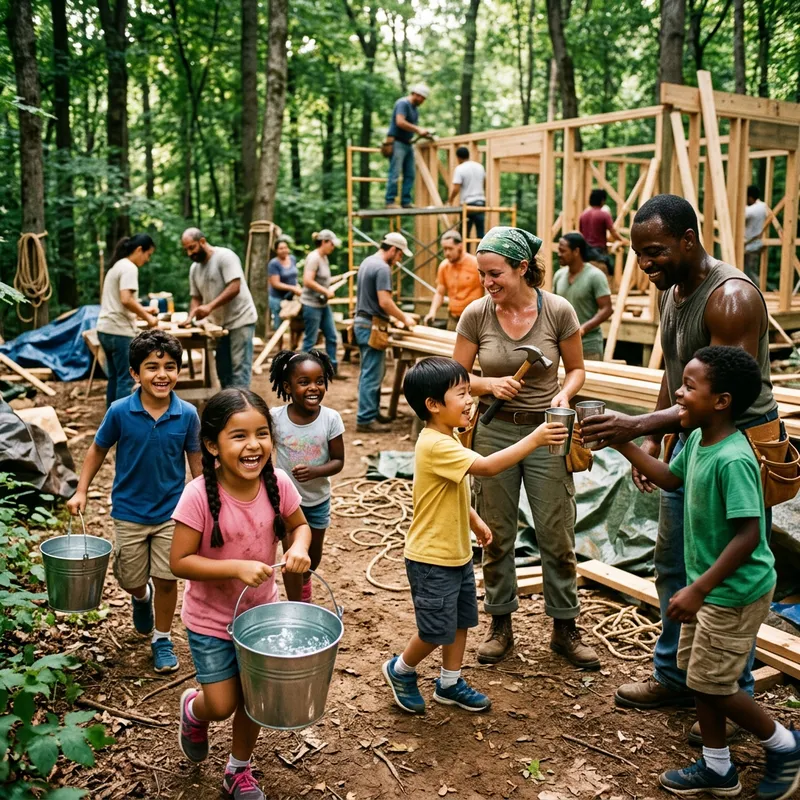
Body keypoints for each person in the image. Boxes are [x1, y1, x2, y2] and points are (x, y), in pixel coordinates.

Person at [581, 194, 779, 744]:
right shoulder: (674, 288)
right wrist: (664, 441)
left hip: (734, 450)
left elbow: (719, 396)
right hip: (694, 443)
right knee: (675, 566)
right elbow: (679, 377)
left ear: (689, 240)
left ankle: (730, 697)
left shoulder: (731, 298)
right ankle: (675, 678)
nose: (646, 265)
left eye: (655, 252)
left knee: (724, 576)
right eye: (640, 254)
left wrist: (637, 427)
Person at [613, 346, 800, 800]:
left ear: (722, 401)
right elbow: (673, 480)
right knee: (700, 678)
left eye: (689, 386)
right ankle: (718, 768)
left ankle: (785, 744)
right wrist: (623, 443)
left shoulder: (735, 459)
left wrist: (697, 588)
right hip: (712, 587)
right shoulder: (698, 439)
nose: (678, 390)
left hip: (734, 591)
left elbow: (748, 537)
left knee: (713, 682)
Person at [383, 357, 569, 715]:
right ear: (434, 406)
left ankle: (449, 682)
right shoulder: (436, 445)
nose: (470, 400)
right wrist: (535, 438)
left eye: (469, 392)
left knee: (460, 620)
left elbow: (451, 490)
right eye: (462, 394)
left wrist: (474, 522)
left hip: (456, 553)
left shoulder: (448, 435)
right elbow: (486, 466)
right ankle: (400, 669)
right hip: (431, 557)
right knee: (435, 629)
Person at [453, 226, 600, 668]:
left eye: (496, 273)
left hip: (548, 432)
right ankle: (500, 624)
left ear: (522, 267)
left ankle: (564, 627)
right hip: (495, 432)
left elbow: (576, 369)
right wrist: (488, 383)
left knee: (556, 531)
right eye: (482, 274)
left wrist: (563, 394)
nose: (488, 282)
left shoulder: (557, 311)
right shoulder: (476, 315)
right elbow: (454, 378)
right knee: (495, 532)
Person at [170, 388, 312, 800]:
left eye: (262, 433)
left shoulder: (278, 483)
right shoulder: (198, 495)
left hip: (260, 616)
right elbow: (179, 561)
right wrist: (234, 567)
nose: (254, 445)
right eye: (239, 436)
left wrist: (299, 547)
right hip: (211, 622)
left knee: (255, 700)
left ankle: (238, 769)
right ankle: (194, 710)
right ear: (213, 445)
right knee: (221, 704)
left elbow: (300, 526)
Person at [67, 330, 202, 673]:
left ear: (178, 372)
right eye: (152, 367)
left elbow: (196, 462)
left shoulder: (187, 414)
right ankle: (141, 597)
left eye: (170, 367)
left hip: (173, 512)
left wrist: (208, 503)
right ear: (134, 374)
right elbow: (98, 449)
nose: (162, 374)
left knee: (169, 578)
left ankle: (162, 637)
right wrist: (81, 489)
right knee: (130, 577)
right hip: (129, 512)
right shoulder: (120, 411)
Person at [268, 349, 345, 603]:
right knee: (292, 557)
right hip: (288, 504)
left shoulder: (330, 419)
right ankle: (297, 605)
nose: (314, 388)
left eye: (319, 381)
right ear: (288, 387)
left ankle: (304, 583)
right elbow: (264, 452)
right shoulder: (276, 418)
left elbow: (338, 461)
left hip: (318, 500)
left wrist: (315, 471)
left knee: (313, 557)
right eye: (304, 382)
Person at [353, 232, 417, 433]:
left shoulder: (367, 262)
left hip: (365, 322)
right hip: (371, 325)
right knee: (372, 373)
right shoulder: (382, 268)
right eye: (399, 255)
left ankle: (371, 412)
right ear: (393, 249)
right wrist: (404, 318)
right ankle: (365, 419)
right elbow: (385, 302)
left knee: (373, 371)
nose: (399, 260)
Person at [181, 228, 258, 390]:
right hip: (219, 325)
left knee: (239, 369)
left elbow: (235, 286)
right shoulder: (194, 269)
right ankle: (229, 408)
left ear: (202, 241)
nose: (189, 253)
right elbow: (196, 297)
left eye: (192, 247)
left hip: (240, 319)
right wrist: (191, 317)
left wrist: (209, 306)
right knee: (223, 370)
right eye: (186, 249)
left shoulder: (225, 257)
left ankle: (242, 411)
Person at [96, 234, 159, 407]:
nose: (147, 259)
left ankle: (112, 419)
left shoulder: (117, 266)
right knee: (126, 379)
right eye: (148, 254)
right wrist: (149, 319)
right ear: (139, 250)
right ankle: (122, 423)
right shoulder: (130, 267)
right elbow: (126, 299)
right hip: (119, 331)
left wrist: (144, 309)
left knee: (115, 377)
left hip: (105, 329)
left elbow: (119, 302)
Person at [553, 233, 613, 361]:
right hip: (563, 345)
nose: (559, 254)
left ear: (576, 251)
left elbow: (607, 309)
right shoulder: (559, 275)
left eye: (563, 251)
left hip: (588, 346)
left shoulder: (595, 276)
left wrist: (583, 329)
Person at [301, 230, 342, 376]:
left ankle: (331, 369)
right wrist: (325, 292)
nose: (333, 247)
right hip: (311, 305)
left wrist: (340, 278)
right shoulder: (314, 258)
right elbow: (307, 281)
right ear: (324, 242)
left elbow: (323, 280)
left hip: (323, 305)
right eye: (331, 244)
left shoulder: (324, 258)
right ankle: (302, 370)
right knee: (310, 340)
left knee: (332, 336)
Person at [423, 231, 483, 330]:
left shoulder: (476, 264)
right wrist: (432, 312)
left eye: (450, 249)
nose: (447, 253)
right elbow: (439, 293)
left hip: (474, 319)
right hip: (453, 318)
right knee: (451, 344)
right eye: (444, 249)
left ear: (460, 246)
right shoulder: (444, 266)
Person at [385, 84, 431, 209]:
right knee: (395, 172)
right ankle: (390, 201)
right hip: (397, 142)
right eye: (422, 98)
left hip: (407, 143)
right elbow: (400, 122)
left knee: (410, 174)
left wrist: (423, 134)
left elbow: (410, 127)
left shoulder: (414, 109)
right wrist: (418, 129)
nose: (423, 101)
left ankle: (406, 201)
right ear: (416, 94)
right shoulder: (402, 103)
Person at [579, 189, 624, 274]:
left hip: (585, 253)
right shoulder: (604, 214)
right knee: (609, 271)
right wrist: (622, 240)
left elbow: (582, 233)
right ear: (602, 200)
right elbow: (613, 232)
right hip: (599, 253)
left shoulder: (583, 215)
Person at [447, 146, 486, 241]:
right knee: (480, 233)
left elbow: (456, 187)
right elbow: (484, 183)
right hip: (481, 203)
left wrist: (450, 200)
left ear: (458, 157)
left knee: (465, 234)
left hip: (468, 205)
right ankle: (481, 254)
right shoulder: (480, 167)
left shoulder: (460, 169)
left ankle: (465, 254)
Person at [267, 238, 301, 331]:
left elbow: (294, 276)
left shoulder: (292, 259)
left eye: (285, 248)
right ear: (276, 250)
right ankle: (278, 345)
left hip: (291, 297)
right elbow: (275, 283)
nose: (284, 250)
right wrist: (293, 288)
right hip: (277, 298)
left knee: (296, 321)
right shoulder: (273, 264)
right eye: (281, 248)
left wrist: (297, 287)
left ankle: (293, 344)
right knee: (279, 324)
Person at [745, 185, 768, 284]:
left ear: (750, 198)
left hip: (749, 245)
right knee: (751, 270)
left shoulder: (751, 210)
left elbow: (741, 214)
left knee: (748, 272)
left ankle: (756, 291)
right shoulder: (762, 206)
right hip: (755, 244)